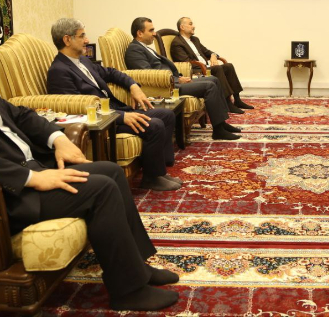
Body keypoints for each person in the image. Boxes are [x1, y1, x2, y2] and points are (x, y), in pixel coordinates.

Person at [0, 97, 180, 311]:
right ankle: (128, 290)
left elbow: (23, 115)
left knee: (112, 171)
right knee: (101, 189)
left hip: (35, 169)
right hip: (13, 193)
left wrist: (58, 138)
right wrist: (31, 177)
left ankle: (137, 266)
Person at [47, 18, 181, 191]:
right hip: (104, 123)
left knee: (166, 115)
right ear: (67, 40)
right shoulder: (59, 71)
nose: (87, 40)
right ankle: (152, 178)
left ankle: (160, 170)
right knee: (154, 125)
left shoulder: (83, 61)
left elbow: (111, 72)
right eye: (82, 36)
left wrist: (133, 86)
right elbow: (76, 107)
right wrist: (122, 117)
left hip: (114, 111)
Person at [124, 17, 241, 140]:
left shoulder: (143, 47)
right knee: (209, 86)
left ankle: (221, 123)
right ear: (140, 33)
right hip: (167, 87)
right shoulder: (134, 50)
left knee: (214, 79)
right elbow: (148, 74)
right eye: (151, 30)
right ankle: (218, 131)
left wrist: (178, 76)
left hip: (172, 80)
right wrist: (176, 80)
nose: (154, 33)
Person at [170, 16, 253, 113]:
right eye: (190, 24)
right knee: (217, 68)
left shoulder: (195, 39)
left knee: (228, 66)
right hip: (196, 70)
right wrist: (205, 66)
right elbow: (186, 63)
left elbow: (207, 52)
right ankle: (227, 103)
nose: (193, 26)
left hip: (205, 67)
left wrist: (213, 56)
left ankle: (237, 100)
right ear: (182, 27)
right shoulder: (177, 43)